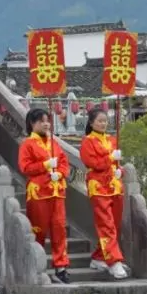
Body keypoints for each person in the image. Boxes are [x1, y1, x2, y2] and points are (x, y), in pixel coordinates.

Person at [18, 108, 71, 283]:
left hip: (57, 190)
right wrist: (45, 165)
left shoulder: (54, 143)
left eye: (47, 120)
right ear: (32, 124)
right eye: (41, 121)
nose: (46, 123)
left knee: (59, 229)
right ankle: (37, 264)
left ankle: (61, 266)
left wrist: (61, 173)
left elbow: (64, 163)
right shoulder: (27, 144)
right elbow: (25, 167)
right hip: (39, 192)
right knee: (38, 229)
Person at [80, 108, 129, 280]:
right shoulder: (88, 141)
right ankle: (114, 261)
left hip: (114, 186)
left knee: (114, 224)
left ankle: (99, 257)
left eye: (105, 120)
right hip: (98, 186)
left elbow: (116, 165)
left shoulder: (112, 140)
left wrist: (120, 171)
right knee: (106, 224)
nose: (103, 123)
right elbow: (92, 163)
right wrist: (110, 159)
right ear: (91, 123)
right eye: (100, 120)